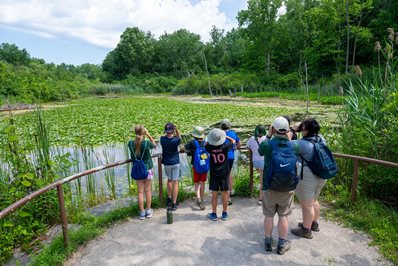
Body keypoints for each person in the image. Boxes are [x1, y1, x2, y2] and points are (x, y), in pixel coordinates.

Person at [258, 117, 299, 255]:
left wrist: (269, 135)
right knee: (283, 216)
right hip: (287, 187)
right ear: (287, 130)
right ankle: (282, 244)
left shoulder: (268, 145)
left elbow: (260, 150)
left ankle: (268, 242)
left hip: (269, 186)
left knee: (269, 215)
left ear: (273, 129)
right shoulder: (294, 145)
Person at [290, 118, 327, 239]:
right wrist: (303, 127)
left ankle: (306, 230)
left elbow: (285, 144)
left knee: (307, 205)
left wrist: (292, 129)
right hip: (321, 174)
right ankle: (313, 223)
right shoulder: (321, 138)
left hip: (308, 177)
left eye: (303, 127)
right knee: (314, 200)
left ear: (305, 130)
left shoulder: (302, 144)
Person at [205, 128, 235, 221]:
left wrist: (210, 139)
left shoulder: (210, 148)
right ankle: (224, 213)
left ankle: (214, 214)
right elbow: (233, 141)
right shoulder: (225, 146)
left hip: (214, 173)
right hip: (224, 173)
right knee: (224, 194)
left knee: (214, 195)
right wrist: (225, 136)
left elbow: (206, 144)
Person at [127, 125, 156, 220]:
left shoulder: (130, 143)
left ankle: (142, 213)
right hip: (147, 169)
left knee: (140, 192)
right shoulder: (146, 143)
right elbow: (154, 145)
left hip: (138, 170)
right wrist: (148, 134)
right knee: (148, 190)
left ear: (135, 132)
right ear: (143, 132)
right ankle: (148, 210)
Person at [183, 126, 207, 210]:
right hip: (204, 166)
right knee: (202, 183)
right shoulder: (205, 143)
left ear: (194, 135)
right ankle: (202, 198)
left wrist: (188, 152)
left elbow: (184, 148)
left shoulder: (192, 143)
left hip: (195, 166)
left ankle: (198, 198)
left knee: (196, 184)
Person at [160, 122, 181, 211]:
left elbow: (165, 136)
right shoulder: (176, 140)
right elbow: (179, 136)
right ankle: (174, 202)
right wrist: (176, 129)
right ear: (173, 130)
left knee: (169, 180)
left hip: (167, 163)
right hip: (175, 162)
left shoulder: (162, 139)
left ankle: (169, 198)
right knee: (175, 182)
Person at [220, 119, 241, 205]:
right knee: (229, 174)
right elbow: (239, 144)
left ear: (221, 126)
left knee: (224, 176)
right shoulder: (233, 133)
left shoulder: (219, 134)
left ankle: (227, 197)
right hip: (231, 157)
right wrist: (234, 146)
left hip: (221, 157)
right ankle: (230, 191)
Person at [246, 125, 267, 205]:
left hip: (255, 162)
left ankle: (261, 193)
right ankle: (260, 199)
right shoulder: (266, 139)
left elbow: (248, 147)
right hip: (263, 161)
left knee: (261, 177)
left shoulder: (251, 139)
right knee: (262, 181)